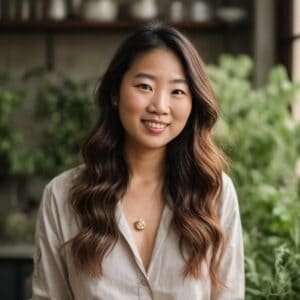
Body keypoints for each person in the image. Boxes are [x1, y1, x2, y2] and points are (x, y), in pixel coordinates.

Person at [32, 22, 244, 299]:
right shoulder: (62, 196)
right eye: (144, 86)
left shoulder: (214, 192)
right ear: (114, 94)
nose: (160, 106)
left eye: (177, 91)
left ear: (193, 104)